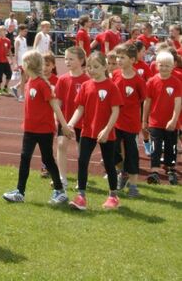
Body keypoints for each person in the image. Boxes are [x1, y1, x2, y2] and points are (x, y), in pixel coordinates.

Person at [3, 49, 73, 204]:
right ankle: (20, 192)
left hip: (44, 130)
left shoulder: (43, 85)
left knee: (47, 160)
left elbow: (56, 107)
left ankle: (60, 191)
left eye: (24, 62)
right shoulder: (29, 82)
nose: (22, 64)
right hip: (29, 129)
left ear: (29, 64)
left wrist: (65, 126)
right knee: (24, 158)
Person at [67, 51, 123, 211]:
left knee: (109, 164)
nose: (91, 70)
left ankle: (113, 196)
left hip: (106, 134)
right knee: (82, 161)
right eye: (89, 67)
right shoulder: (86, 85)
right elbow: (80, 108)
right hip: (87, 131)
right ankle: (81, 196)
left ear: (105, 67)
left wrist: (106, 130)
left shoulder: (112, 87)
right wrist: (70, 124)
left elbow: (115, 111)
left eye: (96, 67)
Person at [142, 50, 182, 185]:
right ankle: (154, 171)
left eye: (167, 65)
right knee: (156, 147)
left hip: (171, 123)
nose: (164, 68)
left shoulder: (176, 82)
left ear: (172, 67)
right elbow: (147, 102)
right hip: (155, 122)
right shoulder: (152, 82)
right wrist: (144, 120)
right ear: (157, 65)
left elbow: (178, 102)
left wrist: (174, 119)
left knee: (171, 146)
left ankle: (171, 170)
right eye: (161, 65)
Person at [112, 43, 146, 196]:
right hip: (115, 122)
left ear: (132, 60)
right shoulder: (116, 75)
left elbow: (143, 99)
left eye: (122, 57)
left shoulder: (138, 80)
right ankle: (122, 172)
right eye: (117, 57)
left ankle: (133, 186)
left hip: (131, 123)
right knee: (112, 150)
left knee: (132, 154)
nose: (118, 60)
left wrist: (144, 120)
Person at [54, 46, 88, 191]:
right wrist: (58, 119)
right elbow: (58, 102)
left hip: (84, 122)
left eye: (71, 59)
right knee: (61, 145)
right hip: (65, 120)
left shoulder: (87, 80)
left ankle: (81, 180)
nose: (67, 61)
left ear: (81, 61)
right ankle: (62, 178)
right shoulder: (62, 79)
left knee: (82, 152)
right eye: (66, 58)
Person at [0, 24, 12, 95]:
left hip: (5, 60)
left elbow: (9, 50)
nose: (0, 32)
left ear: (5, 31)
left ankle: (5, 87)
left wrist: (11, 59)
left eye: (2, 30)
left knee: (9, 74)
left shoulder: (8, 40)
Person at [10, 24, 28, 100]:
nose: (26, 32)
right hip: (21, 63)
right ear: (20, 31)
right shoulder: (17, 40)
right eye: (24, 31)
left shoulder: (24, 39)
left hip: (26, 62)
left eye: (26, 31)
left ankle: (15, 87)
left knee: (27, 79)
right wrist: (16, 64)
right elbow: (16, 53)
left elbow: (26, 50)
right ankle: (21, 95)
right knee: (24, 79)